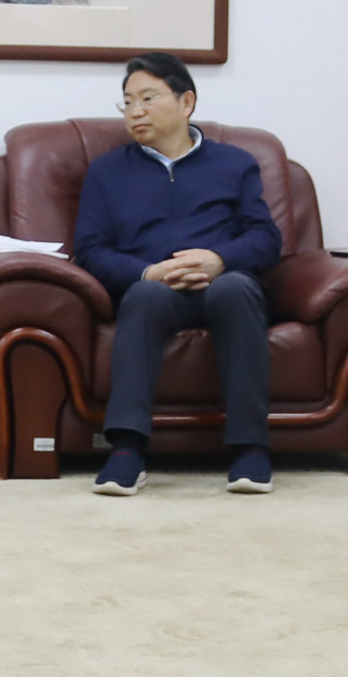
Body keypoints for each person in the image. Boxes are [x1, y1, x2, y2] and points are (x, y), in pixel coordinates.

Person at [73, 52, 284, 497]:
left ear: (186, 102)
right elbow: (90, 250)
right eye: (128, 102)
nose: (136, 111)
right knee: (143, 297)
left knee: (237, 290)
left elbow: (265, 238)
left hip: (222, 282)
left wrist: (219, 259)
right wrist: (148, 272)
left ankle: (250, 448)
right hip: (155, 289)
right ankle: (127, 449)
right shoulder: (107, 172)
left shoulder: (235, 163)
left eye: (148, 98)